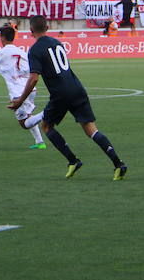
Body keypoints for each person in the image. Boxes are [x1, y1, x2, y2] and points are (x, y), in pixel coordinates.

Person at [9, 16, 128, 180]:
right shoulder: (57, 43)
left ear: (31, 31)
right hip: (77, 88)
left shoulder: (35, 50)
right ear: (48, 27)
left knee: (47, 127)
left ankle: (73, 160)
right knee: (92, 130)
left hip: (60, 94)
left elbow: (34, 78)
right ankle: (118, 164)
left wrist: (20, 101)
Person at [0, 25, 46, 149]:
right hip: (30, 88)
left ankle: (47, 114)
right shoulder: (21, 52)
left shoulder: (0, 53)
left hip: (18, 92)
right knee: (28, 116)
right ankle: (40, 142)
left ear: (2, 38)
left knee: (24, 124)